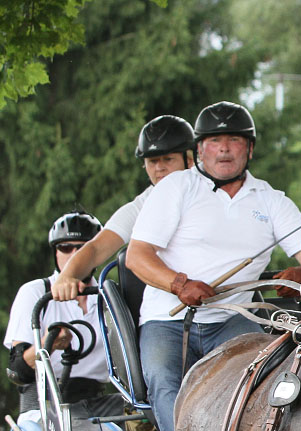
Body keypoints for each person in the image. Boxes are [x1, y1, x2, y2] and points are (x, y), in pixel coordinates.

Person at [126, 101, 301, 431]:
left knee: (269, 375)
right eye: (214, 141)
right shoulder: (177, 187)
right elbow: (137, 257)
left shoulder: (271, 200)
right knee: (164, 381)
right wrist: (179, 284)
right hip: (166, 320)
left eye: (234, 140)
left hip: (232, 319)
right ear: (199, 150)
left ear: (250, 148)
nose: (224, 148)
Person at [51, 115, 196, 302]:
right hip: (168, 313)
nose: (159, 168)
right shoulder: (142, 205)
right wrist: (67, 276)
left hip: (225, 302)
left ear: (190, 160)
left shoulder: (211, 191)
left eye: (168, 159)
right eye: (152, 161)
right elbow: (96, 248)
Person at [4, 211, 124, 419]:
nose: (74, 255)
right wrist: (48, 343)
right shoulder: (35, 292)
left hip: (96, 399)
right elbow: (18, 371)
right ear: (55, 252)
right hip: (43, 398)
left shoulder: (111, 297)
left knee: (148, 418)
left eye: (83, 248)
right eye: (66, 248)